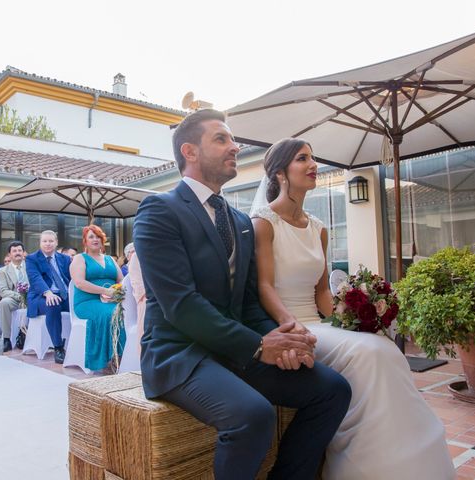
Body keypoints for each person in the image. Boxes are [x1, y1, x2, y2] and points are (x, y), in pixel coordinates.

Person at [133, 109, 351, 480]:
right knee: (253, 414)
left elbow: (248, 301)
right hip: (179, 354)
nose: (235, 146)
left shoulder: (238, 222)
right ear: (190, 151)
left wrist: (281, 341)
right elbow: (180, 304)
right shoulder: (159, 210)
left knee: (332, 390)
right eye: (221, 139)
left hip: (233, 353)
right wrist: (258, 346)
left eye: (232, 139)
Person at [251, 138, 456, 480]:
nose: (313, 164)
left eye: (313, 157)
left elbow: (320, 291)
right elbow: (264, 287)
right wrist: (291, 324)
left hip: (319, 322)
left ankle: (402, 463)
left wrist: (351, 319)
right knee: (371, 354)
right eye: (303, 159)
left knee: (383, 347)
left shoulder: (318, 228)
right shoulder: (263, 222)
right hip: (287, 324)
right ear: (281, 174)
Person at [70, 225, 125, 371]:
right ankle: (111, 357)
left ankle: (126, 354)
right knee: (109, 314)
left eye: (98, 237)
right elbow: (79, 283)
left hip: (112, 300)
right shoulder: (79, 259)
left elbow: (122, 281)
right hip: (87, 302)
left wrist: (117, 293)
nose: (95, 239)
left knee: (124, 312)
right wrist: (105, 291)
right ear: (85, 241)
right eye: (91, 237)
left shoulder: (110, 259)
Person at [26, 230, 71, 364]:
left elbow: (72, 278)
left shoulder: (65, 258)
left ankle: (82, 344)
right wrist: (47, 293)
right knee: (53, 304)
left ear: (56, 242)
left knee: (83, 305)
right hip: (41, 296)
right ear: (40, 243)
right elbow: (35, 278)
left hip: (64, 294)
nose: (48, 244)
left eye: (51, 241)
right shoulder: (32, 259)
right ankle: (58, 347)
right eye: (44, 241)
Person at [0, 241, 28, 352]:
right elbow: (3, 291)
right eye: (14, 251)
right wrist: (20, 296)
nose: (17, 253)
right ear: (9, 254)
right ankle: (6, 339)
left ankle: (25, 335)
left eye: (19, 250)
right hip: (15, 299)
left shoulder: (31, 266)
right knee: (4, 303)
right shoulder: (2, 271)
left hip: (31, 298)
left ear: (23, 253)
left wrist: (28, 296)